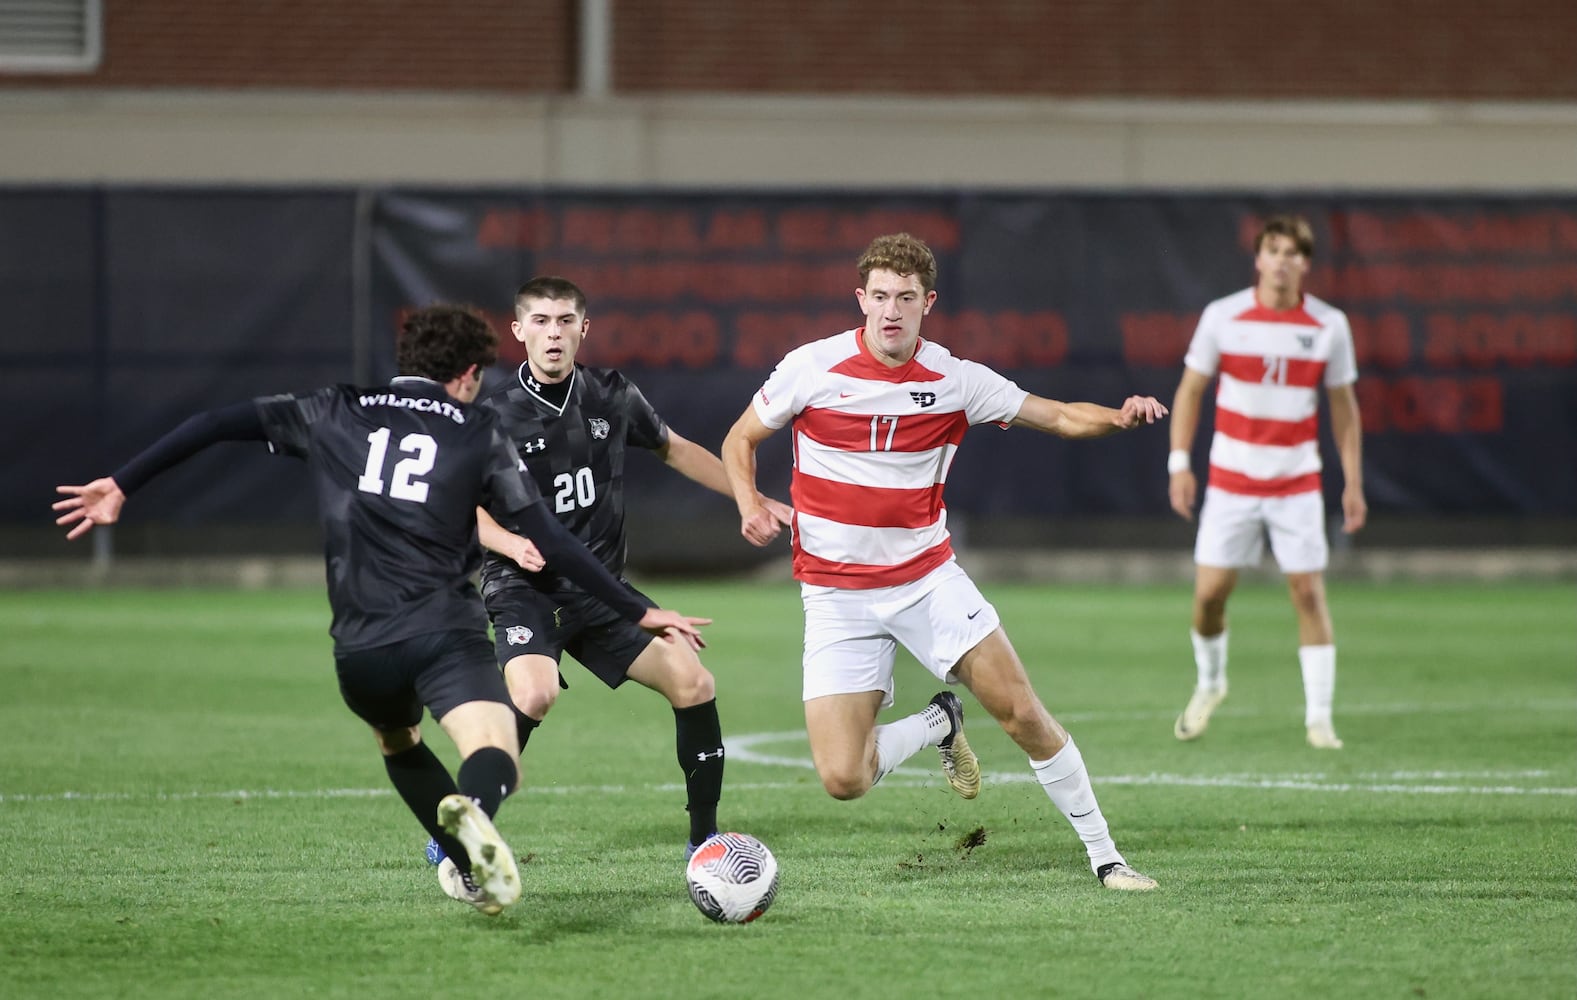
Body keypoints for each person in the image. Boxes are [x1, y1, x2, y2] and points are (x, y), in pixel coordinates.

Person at [52, 304, 708, 915]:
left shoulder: (336, 408)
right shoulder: (478, 430)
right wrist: (635, 607)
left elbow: (214, 424)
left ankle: (464, 855)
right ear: (469, 375)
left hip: (359, 648)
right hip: (444, 632)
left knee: (398, 741)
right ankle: (474, 815)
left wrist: (122, 483)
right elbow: (552, 538)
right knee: (494, 748)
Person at [720, 232, 1165, 892]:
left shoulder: (956, 381)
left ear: (927, 302)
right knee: (843, 777)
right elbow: (739, 439)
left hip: (926, 583)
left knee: (1022, 715)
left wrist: (1117, 418)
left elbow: (1062, 417)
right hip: (836, 596)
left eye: (904, 298)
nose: (890, 311)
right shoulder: (810, 368)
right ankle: (938, 722)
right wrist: (746, 500)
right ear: (860, 300)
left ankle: (1106, 858)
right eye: (878, 297)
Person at [419, 276, 792, 866]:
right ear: (518, 331)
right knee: (536, 694)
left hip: (599, 589)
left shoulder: (611, 394)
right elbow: (458, 508)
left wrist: (749, 495)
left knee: (694, 681)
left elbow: (676, 448)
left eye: (565, 320)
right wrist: (509, 546)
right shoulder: (490, 412)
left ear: (583, 329)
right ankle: (467, 817)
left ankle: (704, 841)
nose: (553, 333)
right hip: (524, 589)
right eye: (540, 321)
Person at [1167, 214, 1366, 750]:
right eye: (1273, 250)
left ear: (1305, 263)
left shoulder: (1329, 325)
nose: (1282, 261)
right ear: (1258, 259)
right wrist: (1179, 463)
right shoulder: (1223, 317)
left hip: (1296, 481)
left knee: (1307, 591)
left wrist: (1352, 481)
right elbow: (1189, 391)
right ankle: (1211, 683)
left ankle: (1319, 719)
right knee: (1209, 596)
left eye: (1293, 252)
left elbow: (1344, 408)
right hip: (1231, 482)